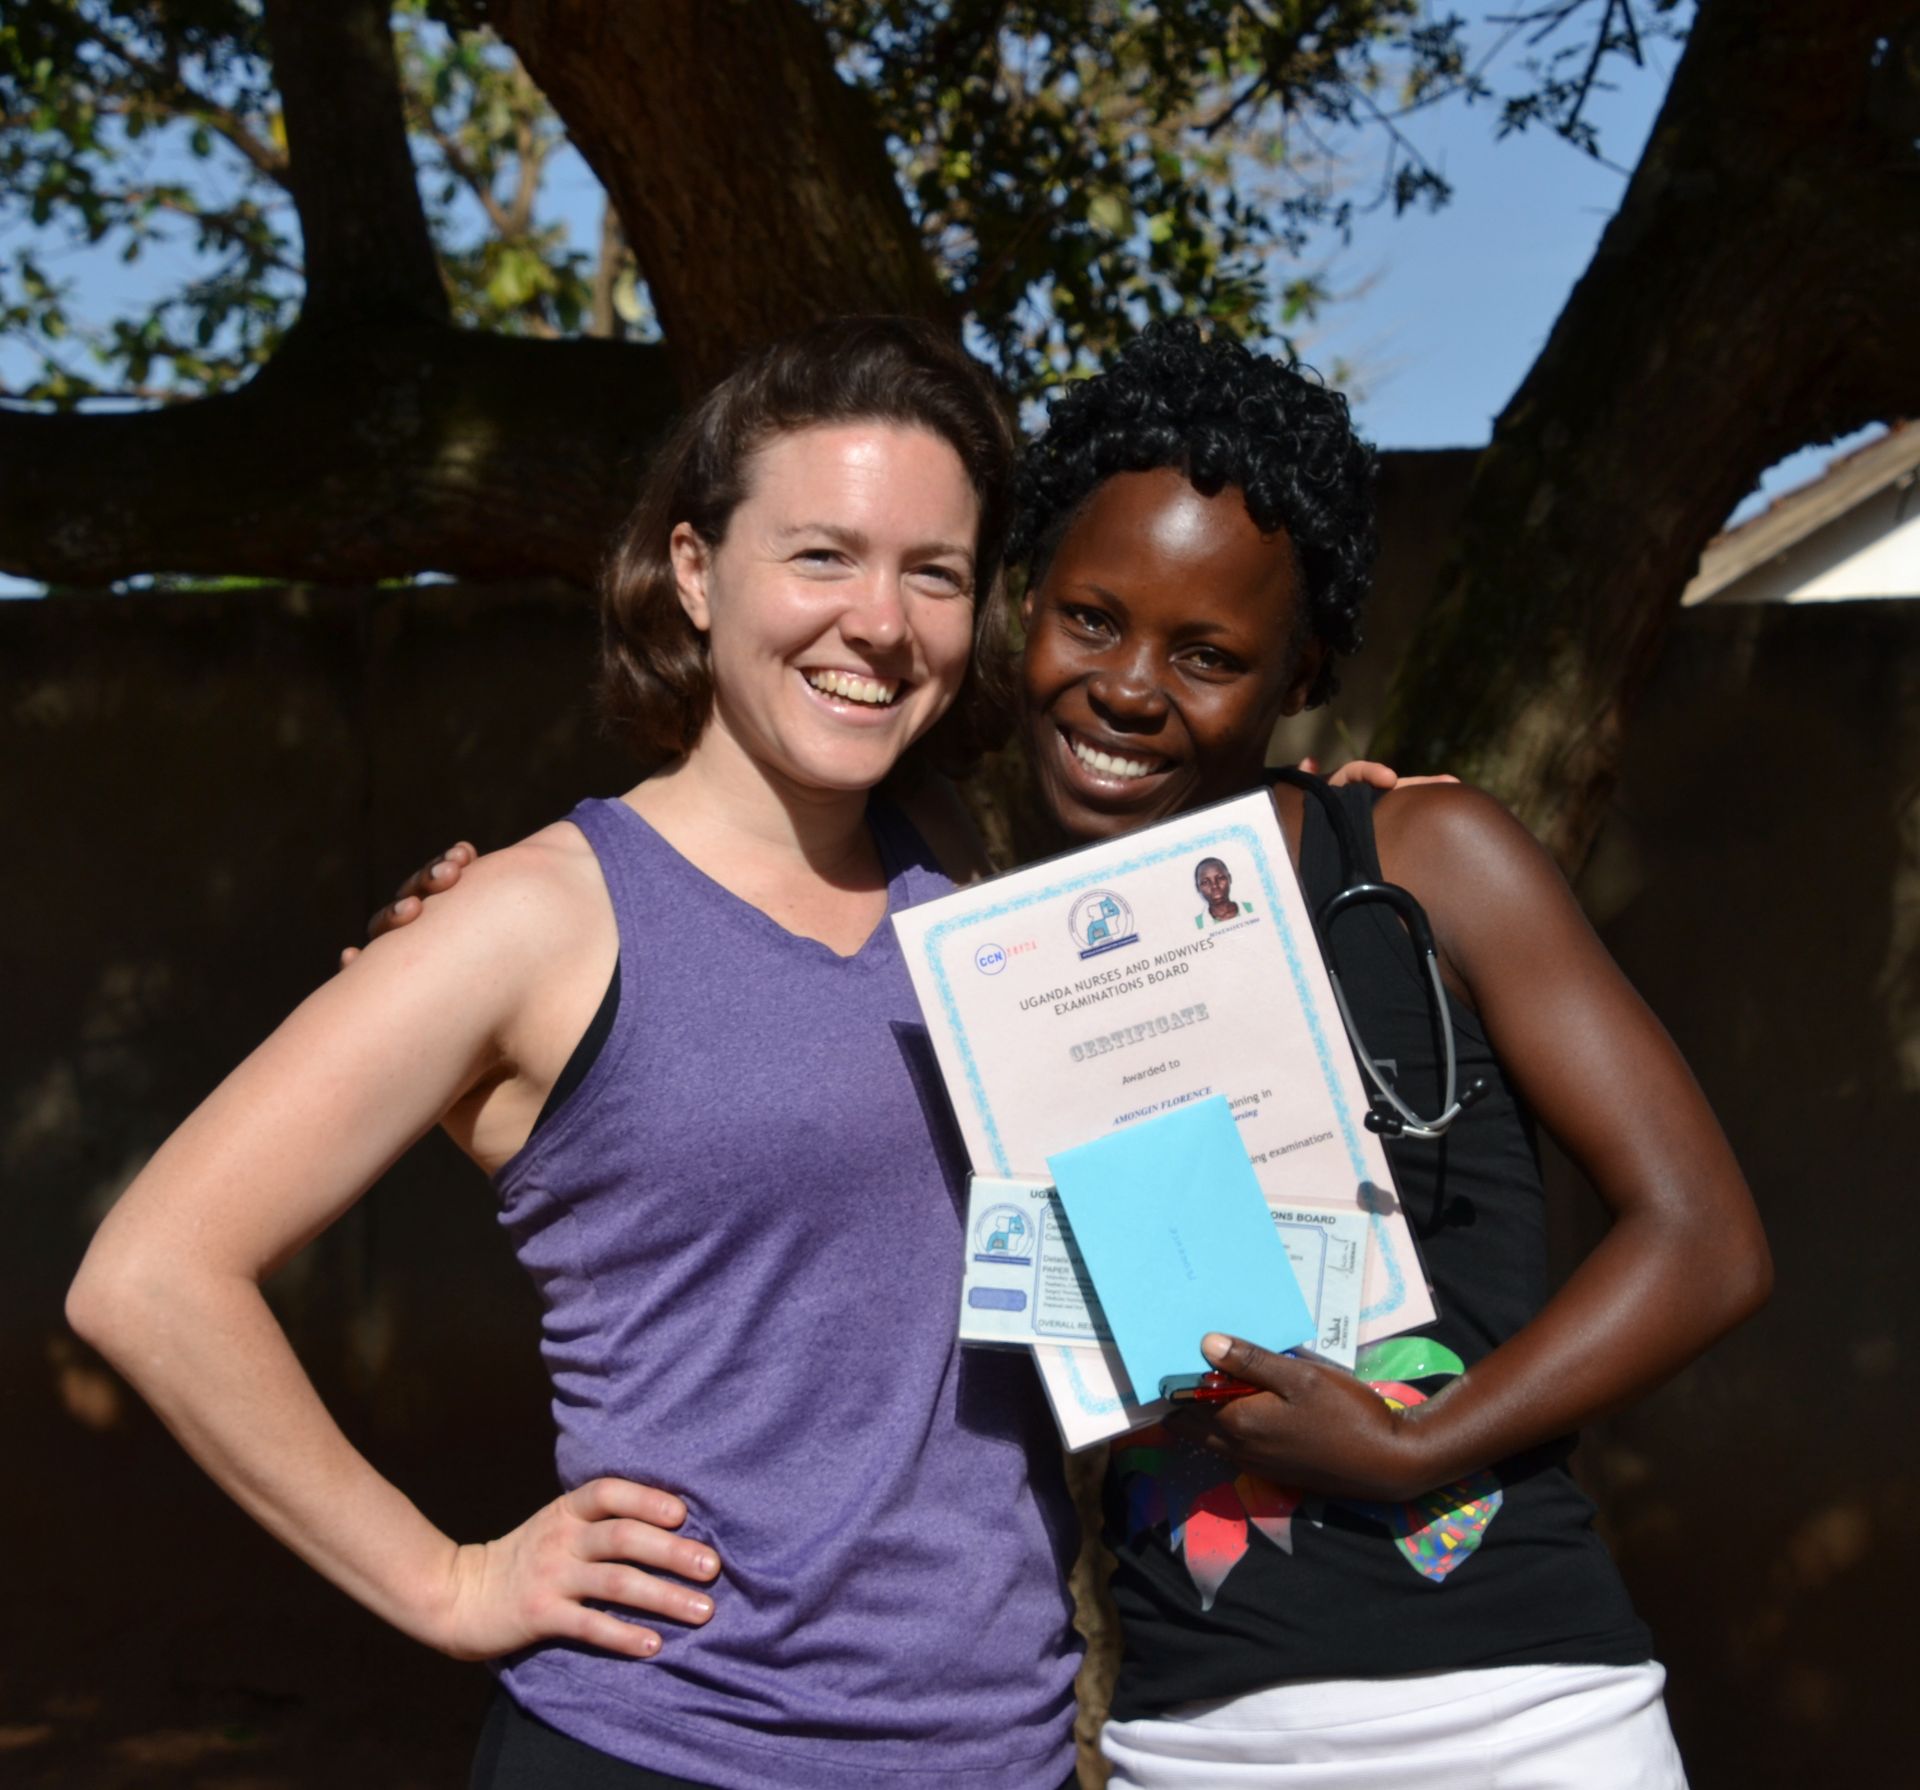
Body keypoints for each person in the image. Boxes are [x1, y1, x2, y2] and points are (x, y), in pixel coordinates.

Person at [372, 320, 1771, 1785]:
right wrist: (449, 967)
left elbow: (1708, 1239)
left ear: (1306, 671)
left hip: (1514, 1714)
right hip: (1181, 1733)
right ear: (1022, 607)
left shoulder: (1415, 857)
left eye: (1212, 653)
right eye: (1091, 619)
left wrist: (1422, 1446)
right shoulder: (974, 923)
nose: (1130, 685)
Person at [67, 317, 1087, 1790]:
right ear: (694, 569)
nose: (881, 619)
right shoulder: (535, 916)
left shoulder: (958, 878)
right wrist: (447, 1581)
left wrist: (1366, 825)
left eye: (933, 571)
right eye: (820, 555)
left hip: (999, 1754)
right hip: (672, 1749)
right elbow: (151, 1273)